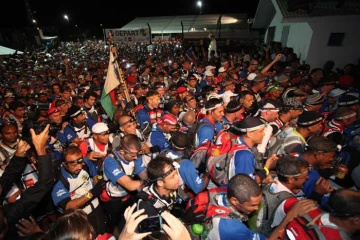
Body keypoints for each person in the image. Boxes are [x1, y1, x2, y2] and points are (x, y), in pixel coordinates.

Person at [204, 174, 317, 240]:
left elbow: (241, 182)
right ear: (234, 201)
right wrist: (289, 217)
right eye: (253, 205)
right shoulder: (233, 228)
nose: (257, 208)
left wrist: (261, 179)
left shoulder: (221, 190)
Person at [0, 125, 54, 239]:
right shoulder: (12, 214)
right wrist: (41, 149)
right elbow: (45, 183)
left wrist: (18, 155)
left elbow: (6, 179)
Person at [51, 145, 106, 234]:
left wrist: (99, 187)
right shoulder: (59, 181)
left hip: (96, 206)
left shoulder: (86, 163)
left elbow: (95, 177)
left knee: (101, 232)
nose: (79, 167)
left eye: (80, 162)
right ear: (64, 164)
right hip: (79, 217)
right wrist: (91, 193)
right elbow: (68, 206)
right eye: (74, 164)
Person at [102, 134, 147, 232]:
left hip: (128, 197)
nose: (136, 158)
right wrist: (147, 182)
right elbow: (129, 185)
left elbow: (144, 175)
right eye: (133, 155)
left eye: (137, 154)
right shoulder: (111, 161)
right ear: (122, 151)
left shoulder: (135, 155)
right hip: (114, 200)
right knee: (114, 223)